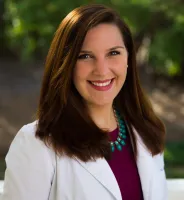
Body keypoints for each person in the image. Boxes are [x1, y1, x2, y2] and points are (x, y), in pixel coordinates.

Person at [1, 4, 168, 200]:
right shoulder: (37, 144)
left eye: (113, 53)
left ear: (128, 59)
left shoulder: (146, 133)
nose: (102, 70)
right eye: (85, 56)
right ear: (66, 65)